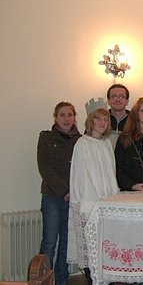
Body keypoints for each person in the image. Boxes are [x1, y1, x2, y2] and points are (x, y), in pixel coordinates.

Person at [67, 107, 119, 285]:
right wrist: (91, 201)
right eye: (99, 119)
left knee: (104, 246)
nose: (102, 123)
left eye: (105, 120)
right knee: (90, 248)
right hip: (89, 203)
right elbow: (81, 175)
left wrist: (112, 198)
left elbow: (110, 172)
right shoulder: (83, 143)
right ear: (91, 121)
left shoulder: (106, 143)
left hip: (106, 203)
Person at [37, 101, 81, 285]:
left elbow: (82, 169)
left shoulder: (81, 140)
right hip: (53, 198)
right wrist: (64, 190)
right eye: (62, 115)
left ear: (74, 117)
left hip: (73, 198)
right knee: (49, 241)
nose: (66, 118)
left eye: (70, 114)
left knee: (66, 242)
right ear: (55, 117)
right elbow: (45, 168)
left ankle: (61, 280)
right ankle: (41, 280)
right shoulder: (46, 137)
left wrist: (74, 191)